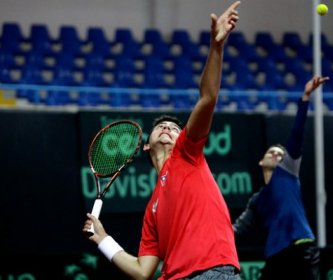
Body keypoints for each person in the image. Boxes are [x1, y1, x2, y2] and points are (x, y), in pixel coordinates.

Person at [82, 1, 242, 279]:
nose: (168, 128)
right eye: (161, 126)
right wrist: (104, 240)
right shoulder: (152, 209)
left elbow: (207, 98)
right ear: (146, 144)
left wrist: (216, 47)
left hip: (211, 273)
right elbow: (143, 271)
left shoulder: (187, 155)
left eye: (174, 127)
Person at [233, 76, 329, 280]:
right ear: (261, 161)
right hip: (276, 257)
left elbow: (297, 134)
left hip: (301, 248)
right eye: (272, 152)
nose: (277, 155)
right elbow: (236, 230)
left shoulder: (288, 170)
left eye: (281, 153)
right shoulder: (257, 200)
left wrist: (305, 98)